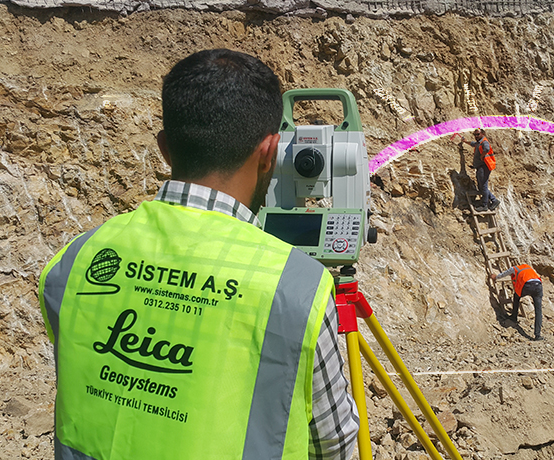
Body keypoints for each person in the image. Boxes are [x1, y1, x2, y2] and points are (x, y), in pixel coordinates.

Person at [38, 49, 358, 460]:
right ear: (270, 153)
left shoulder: (74, 261)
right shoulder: (297, 289)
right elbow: (333, 445)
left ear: (164, 148)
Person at [491, 264, 544, 341]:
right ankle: (538, 335)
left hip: (527, 285)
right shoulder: (528, 267)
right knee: (538, 311)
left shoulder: (514, 269)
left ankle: (514, 317)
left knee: (516, 296)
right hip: (538, 285)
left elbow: (504, 274)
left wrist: (496, 277)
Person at [461, 128, 499, 211]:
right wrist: (465, 141)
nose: (476, 136)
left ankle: (484, 205)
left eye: (478, 134)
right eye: (475, 135)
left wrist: (482, 156)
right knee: (481, 186)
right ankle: (494, 200)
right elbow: (473, 144)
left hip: (484, 166)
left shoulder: (484, 142)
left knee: (483, 186)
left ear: (483, 134)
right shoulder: (479, 142)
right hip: (480, 167)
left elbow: (486, 149)